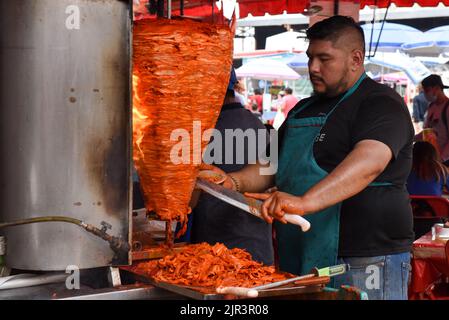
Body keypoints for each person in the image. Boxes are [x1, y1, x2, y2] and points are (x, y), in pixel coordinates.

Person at [206, 16, 414, 300]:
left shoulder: (380, 103)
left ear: (355, 59)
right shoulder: (302, 109)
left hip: (363, 258)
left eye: (324, 59)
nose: (313, 67)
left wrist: (306, 201)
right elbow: (272, 163)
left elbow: (369, 162)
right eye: (310, 57)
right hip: (303, 257)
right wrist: (233, 181)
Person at [190, 68, 274, 265]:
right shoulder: (258, 124)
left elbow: (189, 201)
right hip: (260, 247)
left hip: (217, 254)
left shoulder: (206, 132)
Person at [421, 74, 449, 165]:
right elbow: (427, 131)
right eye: (424, 90)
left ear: (437, 88)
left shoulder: (447, 107)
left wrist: (442, 158)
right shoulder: (431, 106)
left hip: (444, 161)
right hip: (431, 158)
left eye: (427, 90)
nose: (425, 93)